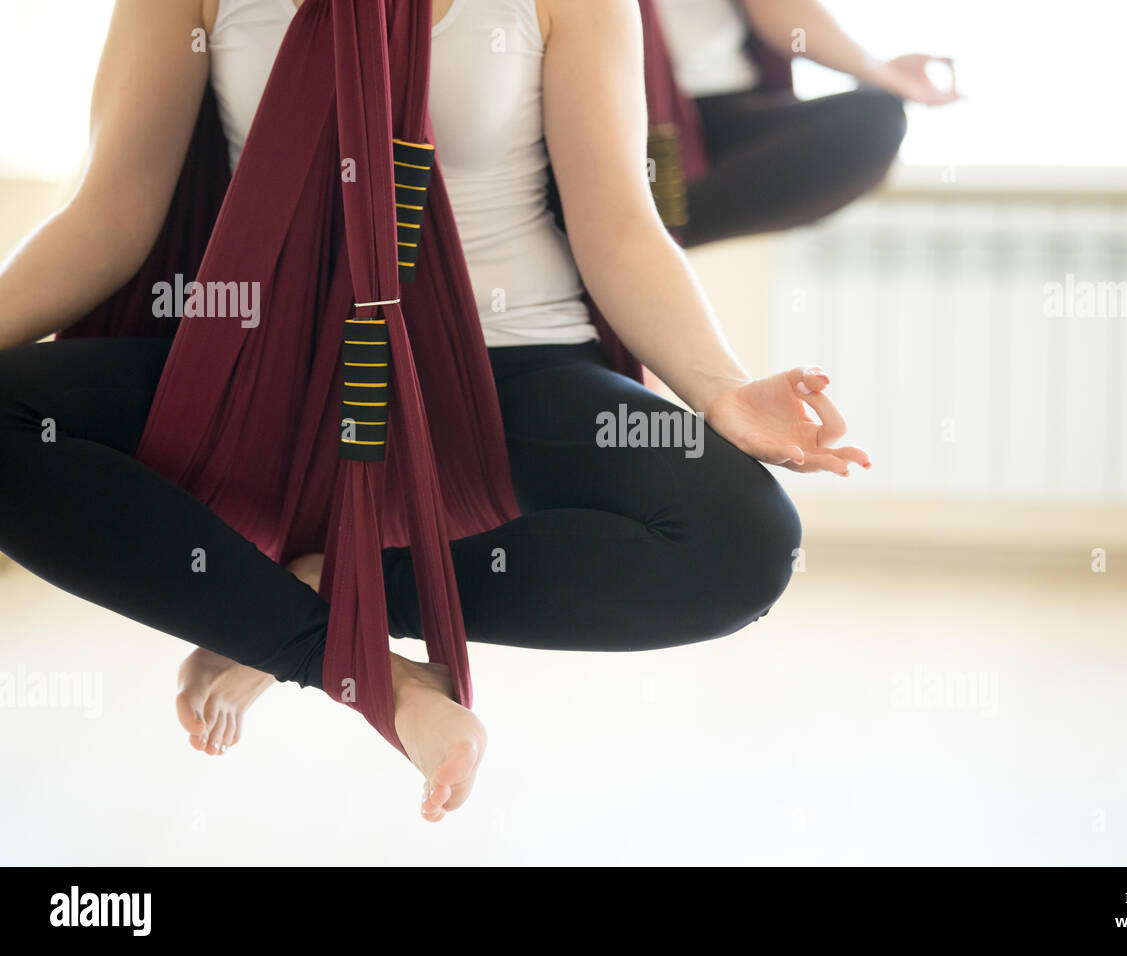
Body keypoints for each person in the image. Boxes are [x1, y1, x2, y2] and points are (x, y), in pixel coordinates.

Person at [0, 0, 868, 823]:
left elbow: (621, 227)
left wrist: (719, 388)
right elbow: (108, 216)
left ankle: (315, 592)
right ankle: (342, 657)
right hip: (268, 369)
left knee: (743, 543)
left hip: (510, 364)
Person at [646, 0, 960, 247]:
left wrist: (881, 74)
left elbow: (781, 9)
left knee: (874, 123)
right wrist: (880, 73)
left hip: (730, 102)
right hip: (652, 100)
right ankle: (645, 229)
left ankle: (652, 229)